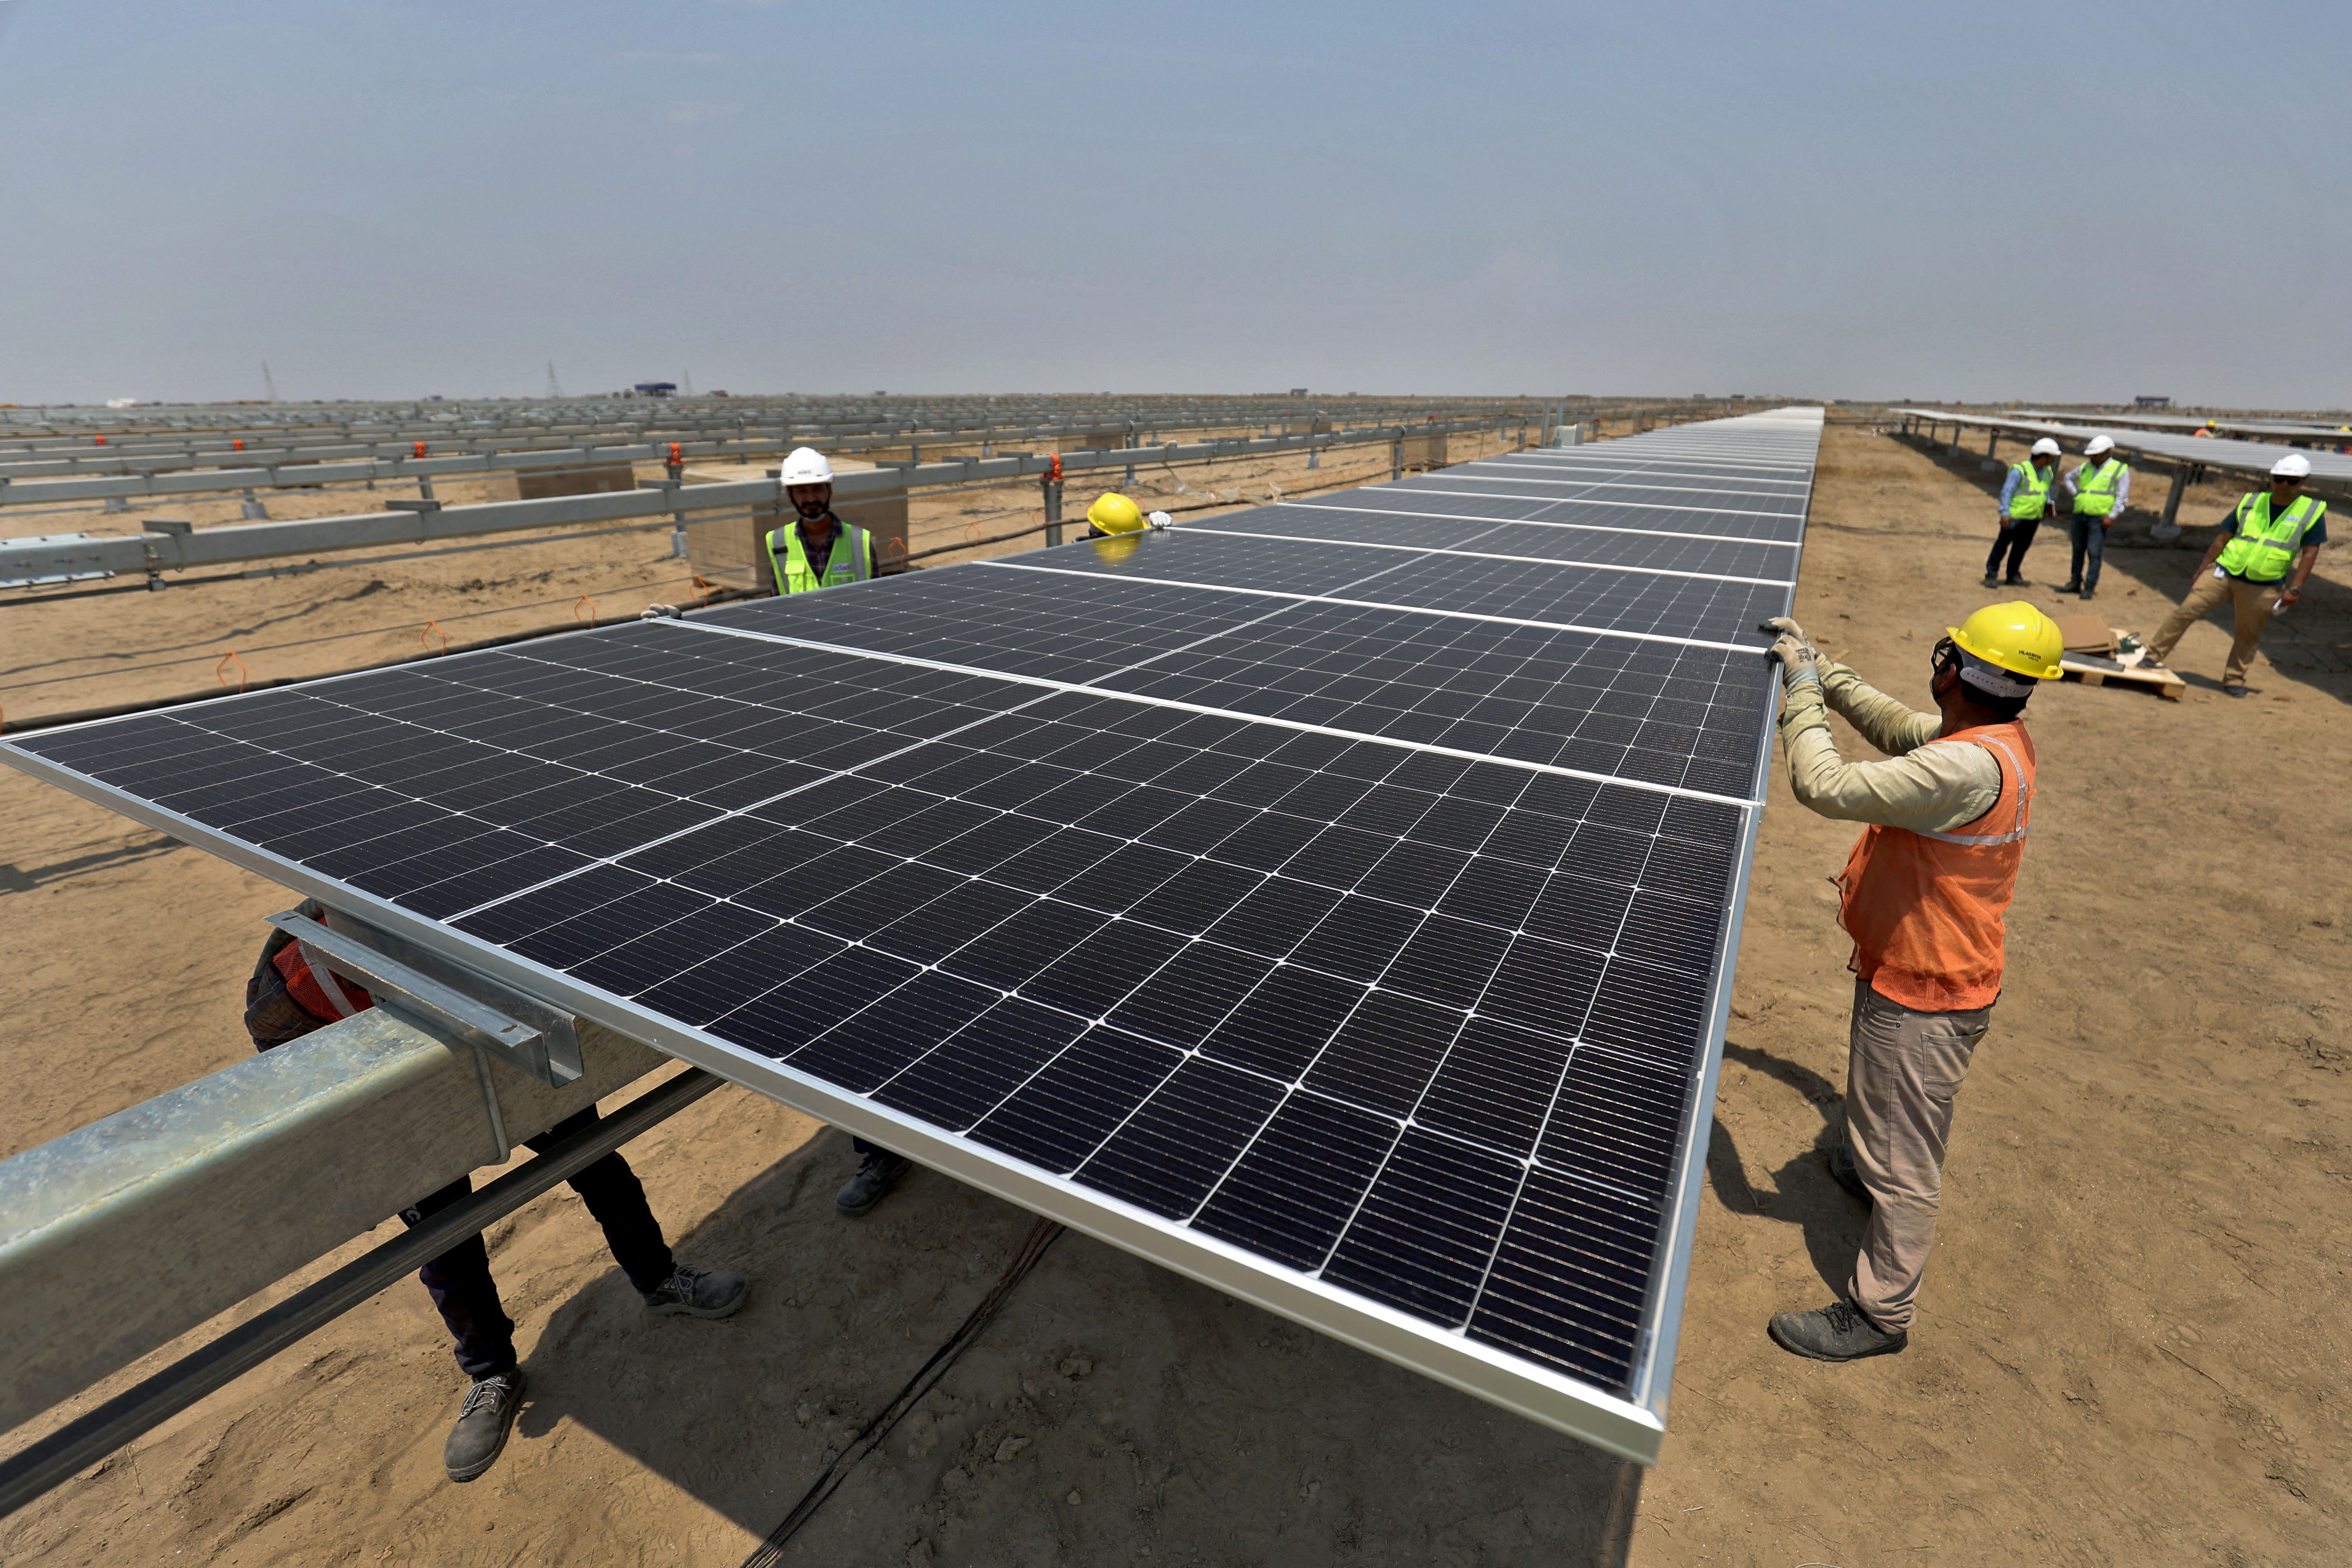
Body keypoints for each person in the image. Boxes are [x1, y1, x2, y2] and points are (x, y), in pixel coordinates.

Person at [244, 908, 749, 1483]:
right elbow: (288, 1054)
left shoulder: (478, 908)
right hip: (406, 1101)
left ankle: (660, 1279)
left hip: (509, 1055)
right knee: (443, 1237)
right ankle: (491, 1373)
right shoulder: (298, 977)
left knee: (595, 1162)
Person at [1758, 603, 2063, 1362]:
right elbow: (1901, 729)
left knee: (1907, 1160)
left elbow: (1823, 783)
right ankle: (1862, 1166)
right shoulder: (1992, 741)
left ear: (1955, 670)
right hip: (1922, 968)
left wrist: (1799, 691)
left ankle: (1880, 1312)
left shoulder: (1964, 765)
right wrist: (1828, 675)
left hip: (1930, 990)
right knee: (1879, 1101)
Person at [2138, 452, 2328, 696]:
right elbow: (2223, 538)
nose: (2284, 485)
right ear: (2271, 478)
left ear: (2303, 482)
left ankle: (2234, 679)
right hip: (2224, 573)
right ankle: (2153, 655)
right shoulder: (2251, 502)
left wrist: (2295, 588)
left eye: (2292, 481)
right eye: (2280, 478)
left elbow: (2310, 553)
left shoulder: (2310, 511)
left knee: (2248, 634)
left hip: (2264, 584)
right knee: (2185, 611)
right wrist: (2203, 568)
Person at [766, 446, 873, 593]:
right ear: (790, 495)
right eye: (801, 491)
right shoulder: (777, 542)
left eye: (818, 489)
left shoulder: (860, 541)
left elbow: (875, 600)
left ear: (830, 490)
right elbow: (778, 600)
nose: (811, 499)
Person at [2060, 435, 2130, 599]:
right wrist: (2077, 495)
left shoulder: (2119, 469)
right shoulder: (2086, 467)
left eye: (2096, 454)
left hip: (2099, 518)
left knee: (2094, 552)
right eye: (2091, 455)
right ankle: (2075, 581)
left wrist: (2112, 516)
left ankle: (2090, 586)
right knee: (2078, 551)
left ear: (2107, 452)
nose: (2093, 457)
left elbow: (2122, 496)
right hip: (2080, 514)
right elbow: (2068, 478)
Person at [1985, 438, 2059, 588]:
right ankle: (1991, 575)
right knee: (2002, 546)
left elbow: (2045, 492)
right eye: (2052, 456)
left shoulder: (2047, 472)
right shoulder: (2020, 470)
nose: (2054, 459)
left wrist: (2049, 506)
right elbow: (2007, 492)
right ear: (2044, 455)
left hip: (2033, 518)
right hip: (2015, 517)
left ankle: (2013, 575)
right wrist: (2005, 513)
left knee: (2021, 548)